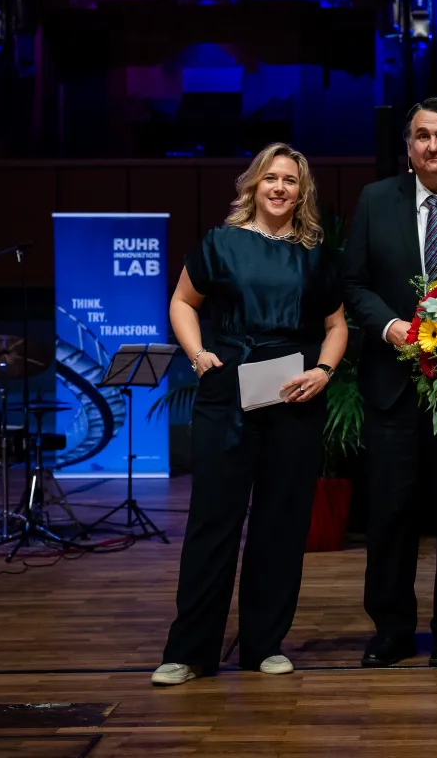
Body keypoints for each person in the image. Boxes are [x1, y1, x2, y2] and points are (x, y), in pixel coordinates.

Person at [152, 142, 348, 686]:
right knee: (213, 523)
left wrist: (325, 371)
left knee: (280, 527)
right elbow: (181, 302)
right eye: (271, 178)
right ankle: (189, 651)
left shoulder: (317, 254)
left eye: (291, 180)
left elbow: (336, 326)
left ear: (301, 192)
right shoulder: (220, 244)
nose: (280, 188)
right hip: (227, 393)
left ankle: (264, 645)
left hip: (293, 397)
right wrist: (197, 355)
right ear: (253, 186)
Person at [341, 97, 437, 668]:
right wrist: (389, 326)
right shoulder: (376, 200)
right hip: (391, 387)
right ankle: (391, 630)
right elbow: (353, 282)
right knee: (390, 516)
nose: (433, 146)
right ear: (408, 147)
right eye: (422, 136)